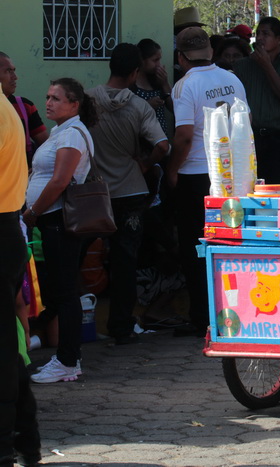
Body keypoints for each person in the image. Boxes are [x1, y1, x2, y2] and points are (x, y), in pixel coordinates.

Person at [87, 43, 170, 345]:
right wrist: (145, 165)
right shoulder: (139, 107)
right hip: (130, 193)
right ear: (135, 72)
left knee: (82, 256)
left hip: (93, 194)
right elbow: (163, 146)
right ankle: (121, 327)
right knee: (125, 261)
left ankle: (64, 322)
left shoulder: (87, 100)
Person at [170, 26, 247, 337]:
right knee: (229, 243)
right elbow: (246, 124)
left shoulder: (184, 86)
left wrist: (173, 170)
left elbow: (184, 135)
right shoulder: (232, 79)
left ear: (181, 57)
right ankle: (231, 312)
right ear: (210, 52)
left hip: (195, 176)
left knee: (195, 247)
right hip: (232, 175)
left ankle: (202, 317)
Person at [23, 78, 98, 382]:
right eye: (47, 96)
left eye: (56, 98)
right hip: (50, 221)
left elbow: (60, 180)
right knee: (59, 290)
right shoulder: (60, 131)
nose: (49, 102)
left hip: (59, 222)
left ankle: (68, 361)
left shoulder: (73, 135)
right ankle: (64, 357)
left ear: (74, 104)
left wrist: (33, 212)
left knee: (66, 292)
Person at [1, 78, 41, 465]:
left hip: (4, 229)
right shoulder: (8, 109)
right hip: (9, 230)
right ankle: (26, 441)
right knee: (9, 349)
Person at [233, 17, 280, 184]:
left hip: (278, 140)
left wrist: (267, 66)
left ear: (279, 39)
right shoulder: (242, 65)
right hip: (248, 139)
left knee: (278, 190)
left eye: (266, 34)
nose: (260, 38)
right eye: (258, 33)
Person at [0, 52, 49, 167]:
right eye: (8, 71)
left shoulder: (24, 106)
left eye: (14, 70)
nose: (15, 77)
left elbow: (47, 146)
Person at [132, 39, 173, 134]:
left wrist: (165, 83)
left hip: (162, 140)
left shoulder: (157, 82)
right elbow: (128, 115)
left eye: (159, 59)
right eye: (155, 60)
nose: (158, 64)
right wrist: (147, 105)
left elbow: (174, 108)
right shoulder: (131, 86)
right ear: (142, 60)